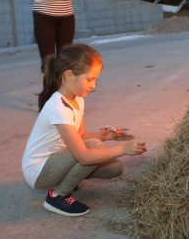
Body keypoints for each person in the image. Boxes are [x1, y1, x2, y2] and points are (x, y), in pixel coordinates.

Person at [22, 44, 147, 216]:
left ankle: (67, 182)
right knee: (93, 148)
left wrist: (103, 136)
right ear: (69, 76)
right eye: (89, 79)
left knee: (114, 168)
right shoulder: (58, 107)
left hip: (58, 160)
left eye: (95, 79)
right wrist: (124, 149)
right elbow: (82, 155)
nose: (94, 85)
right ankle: (58, 196)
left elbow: (80, 136)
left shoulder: (78, 99)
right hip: (38, 172)